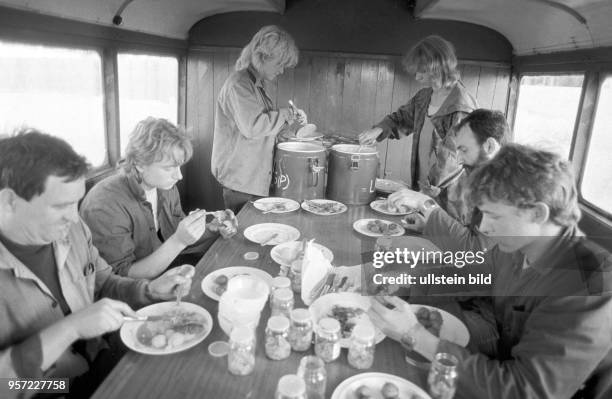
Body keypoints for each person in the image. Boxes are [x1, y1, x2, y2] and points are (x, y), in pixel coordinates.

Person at [369, 144, 612, 399]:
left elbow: (522, 389)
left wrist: (413, 335)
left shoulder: (590, 284)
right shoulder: (518, 247)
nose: (484, 227)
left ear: (538, 213)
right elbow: (474, 273)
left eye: (493, 216)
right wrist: (405, 283)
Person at [0, 130, 193, 398]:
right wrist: (70, 329)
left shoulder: (74, 230)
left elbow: (102, 282)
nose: (74, 216)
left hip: (101, 356)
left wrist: (149, 290)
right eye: (60, 206)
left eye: (76, 203)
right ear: (9, 202)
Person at [80, 118, 237, 280]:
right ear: (140, 163)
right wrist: (179, 241)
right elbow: (119, 279)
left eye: (179, 166)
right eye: (169, 168)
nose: (179, 176)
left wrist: (211, 229)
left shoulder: (166, 188)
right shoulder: (106, 204)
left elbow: (177, 233)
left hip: (166, 270)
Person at [359, 35, 477, 222]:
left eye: (421, 71)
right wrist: (380, 129)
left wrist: (423, 193)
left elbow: (451, 159)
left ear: (437, 68)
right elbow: (402, 118)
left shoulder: (461, 106)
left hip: (448, 197)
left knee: (441, 240)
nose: (416, 76)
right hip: (422, 185)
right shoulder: (424, 96)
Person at [211, 25, 306, 213]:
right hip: (241, 181)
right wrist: (285, 114)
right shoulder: (239, 85)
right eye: (279, 64)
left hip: (252, 178)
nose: (281, 71)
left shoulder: (255, 85)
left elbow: (264, 129)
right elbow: (253, 128)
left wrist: (289, 125)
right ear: (262, 57)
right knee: (242, 237)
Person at [393, 108, 509, 230]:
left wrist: (425, 203)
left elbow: (475, 247)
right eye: (457, 150)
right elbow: (471, 236)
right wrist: (428, 227)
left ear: (489, 146)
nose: (458, 160)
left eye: (464, 150)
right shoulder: (489, 183)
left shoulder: (510, 194)